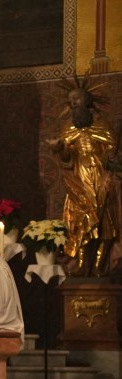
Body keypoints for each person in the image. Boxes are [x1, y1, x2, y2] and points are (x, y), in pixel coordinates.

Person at [47, 85, 119, 277]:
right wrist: (59, 149)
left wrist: (108, 158)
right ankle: (81, 266)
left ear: (87, 101)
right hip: (79, 178)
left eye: (76, 99)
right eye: (71, 101)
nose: (73, 103)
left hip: (101, 176)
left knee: (105, 222)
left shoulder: (102, 125)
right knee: (80, 220)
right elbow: (67, 157)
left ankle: (98, 267)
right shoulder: (68, 129)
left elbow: (111, 148)